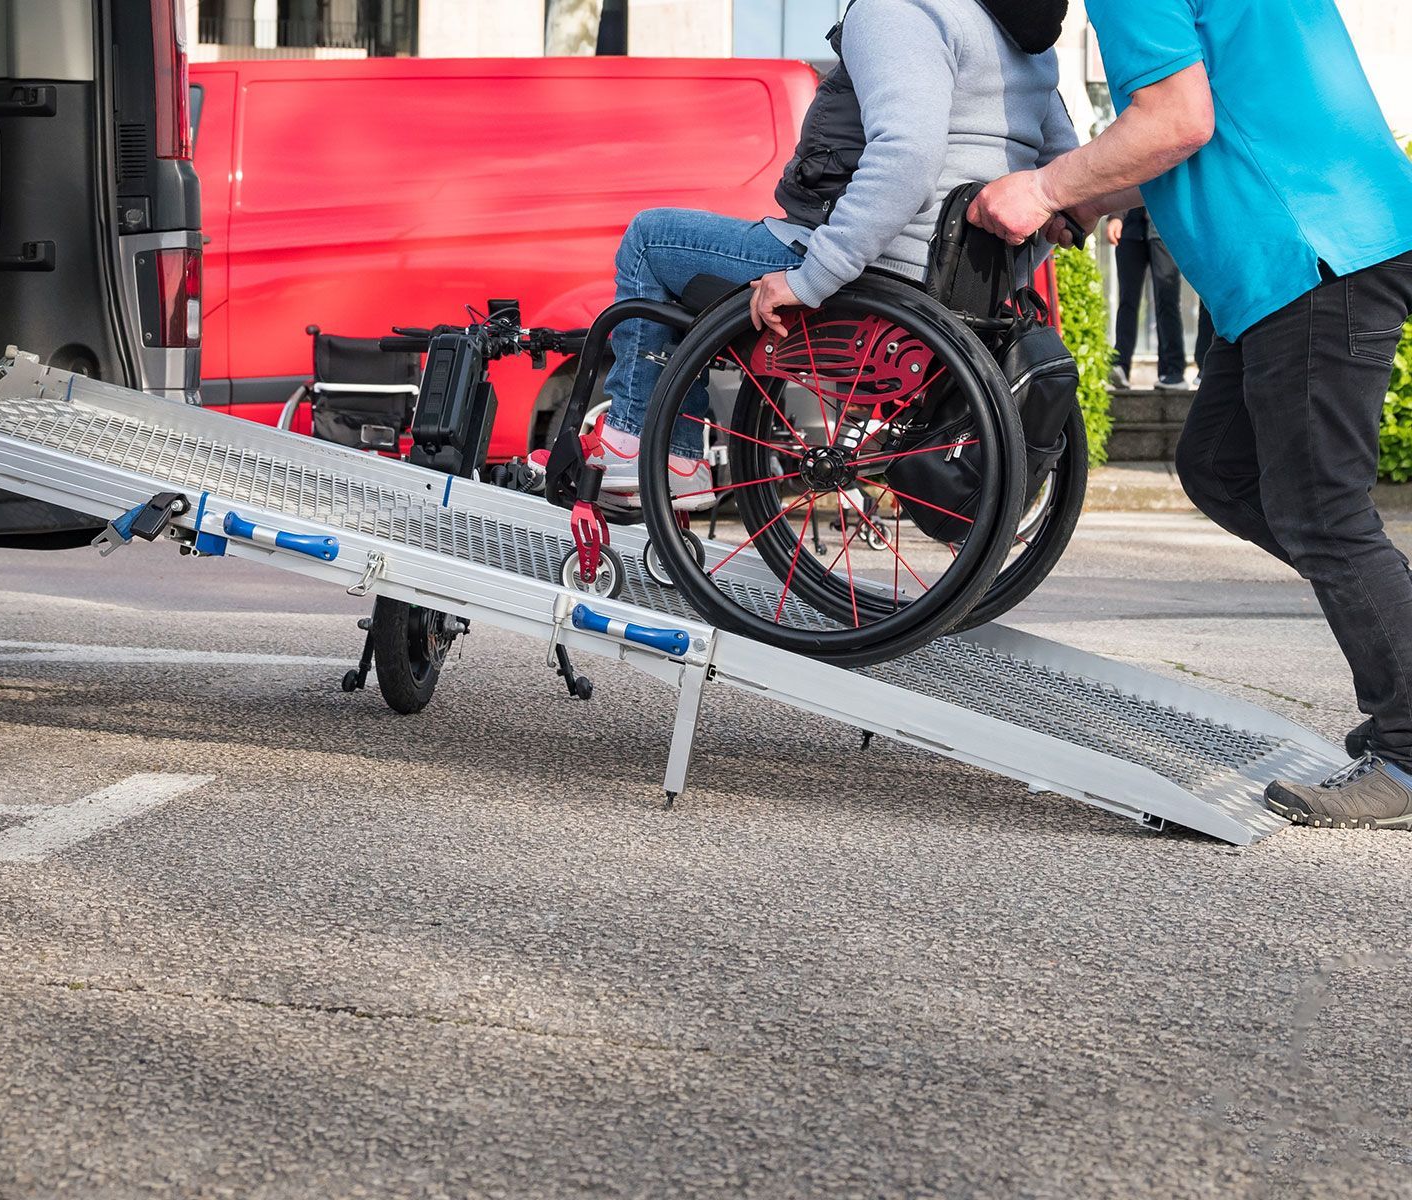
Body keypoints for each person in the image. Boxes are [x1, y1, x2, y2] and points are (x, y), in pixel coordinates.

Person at [970, 0, 1412, 831]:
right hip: (1309, 246)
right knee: (1220, 469)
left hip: (1307, 249)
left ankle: (1411, 749)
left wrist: (1042, 184)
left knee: (1323, 511)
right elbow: (1208, 124)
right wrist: (1093, 197)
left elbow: (1176, 119)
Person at [591, 0, 1080, 509]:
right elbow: (1067, 187)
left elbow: (906, 159)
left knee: (650, 241)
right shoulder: (1026, 45)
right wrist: (1005, 276)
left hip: (874, 273)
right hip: (948, 290)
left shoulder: (901, 11)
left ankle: (655, 447)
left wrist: (810, 278)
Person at [1106, 207, 1188, 389]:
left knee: (1167, 299)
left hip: (1163, 225)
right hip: (1130, 226)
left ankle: (1172, 371)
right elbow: (1121, 178)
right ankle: (1120, 365)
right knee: (1127, 300)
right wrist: (1115, 215)